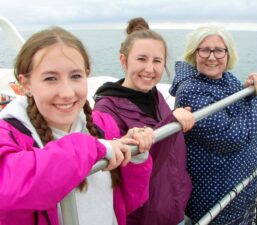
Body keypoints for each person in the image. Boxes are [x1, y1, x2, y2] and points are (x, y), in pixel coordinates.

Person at [0, 26, 155, 225]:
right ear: (26, 84)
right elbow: (8, 191)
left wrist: (136, 156)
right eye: (50, 78)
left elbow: (128, 202)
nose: (67, 92)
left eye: (75, 76)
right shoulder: (9, 135)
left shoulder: (102, 125)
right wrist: (93, 147)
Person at [93, 19, 195, 225]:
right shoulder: (106, 110)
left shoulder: (154, 94)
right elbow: (121, 171)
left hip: (173, 205)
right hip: (143, 216)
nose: (150, 69)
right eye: (141, 59)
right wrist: (171, 121)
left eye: (157, 61)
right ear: (124, 60)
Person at [169, 23, 257, 224]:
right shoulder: (192, 91)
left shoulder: (226, 78)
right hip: (216, 197)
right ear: (194, 53)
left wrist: (248, 91)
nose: (212, 56)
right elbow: (230, 138)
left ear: (228, 54)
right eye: (204, 50)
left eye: (218, 50)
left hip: (241, 190)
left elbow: (239, 113)